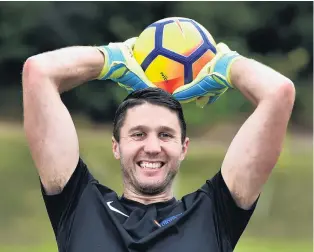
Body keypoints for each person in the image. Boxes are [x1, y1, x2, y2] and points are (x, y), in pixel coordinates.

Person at [22, 32, 295, 252]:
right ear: (116, 146)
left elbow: (278, 92)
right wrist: (109, 59)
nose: (152, 147)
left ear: (183, 147)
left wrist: (229, 66)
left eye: (165, 135)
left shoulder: (214, 213)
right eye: (138, 134)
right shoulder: (79, 203)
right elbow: (39, 71)